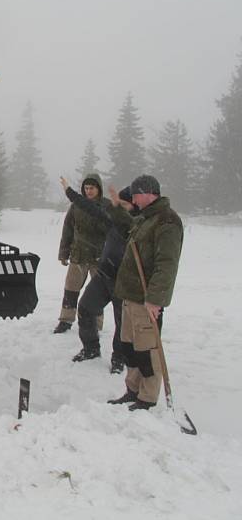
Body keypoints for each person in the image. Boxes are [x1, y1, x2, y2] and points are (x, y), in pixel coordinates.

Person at [107, 174, 183, 411]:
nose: (134, 200)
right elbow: (128, 224)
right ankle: (133, 389)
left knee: (147, 350)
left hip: (145, 300)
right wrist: (116, 206)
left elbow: (166, 264)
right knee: (129, 347)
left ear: (149, 193)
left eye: (136, 195)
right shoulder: (144, 219)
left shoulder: (167, 222)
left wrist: (155, 299)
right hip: (130, 296)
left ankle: (147, 397)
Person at [59, 177, 137, 373]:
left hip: (124, 280)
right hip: (104, 274)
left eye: (124, 204)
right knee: (85, 308)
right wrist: (70, 192)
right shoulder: (112, 217)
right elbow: (89, 207)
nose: (119, 206)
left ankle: (119, 358)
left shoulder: (136, 224)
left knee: (122, 323)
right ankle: (91, 348)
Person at [54, 173, 111, 333]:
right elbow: (68, 229)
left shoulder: (107, 206)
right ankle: (65, 320)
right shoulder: (76, 205)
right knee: (70, 289)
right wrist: (63, 253)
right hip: (78, 255)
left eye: (92, 188)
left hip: (99, 257)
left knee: (97, 293)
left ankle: (96, 324)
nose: (88, 191)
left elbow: (113, 231)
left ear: (98, 188)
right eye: (86, 188)